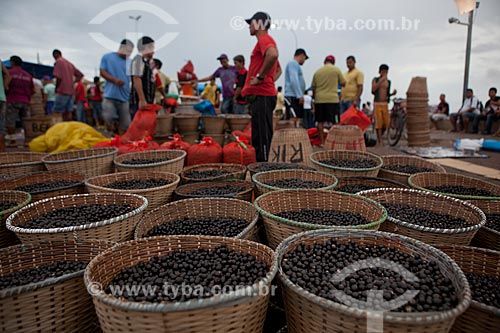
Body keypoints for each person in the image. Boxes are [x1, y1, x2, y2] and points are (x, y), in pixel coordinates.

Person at [242, 11, 280, 162]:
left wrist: (261, 78)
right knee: (259, 136)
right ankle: (262, 167)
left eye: (251, 23)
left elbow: (273, 55)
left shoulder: (265, 39)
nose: (249, 26)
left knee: (263, 138)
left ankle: (264, 169)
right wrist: (268, 79)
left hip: (263, 96)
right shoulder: (262, 43)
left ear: (258, 24)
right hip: (262, 95)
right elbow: (278, 69)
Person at [100, 39, 134, 134]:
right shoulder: (107, 57)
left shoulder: (130, 62)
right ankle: (111, 135)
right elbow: (102, 72)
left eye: (130, 52)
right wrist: (114, 80)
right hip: (110, 95)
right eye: (127, 51)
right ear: (121, 48)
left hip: (125, 97)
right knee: (109, 117)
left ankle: (121, 142)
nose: (129, 54)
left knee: (126, 124)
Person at [311, 55, 346, 145]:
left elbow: (313, 88)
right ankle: (335, 142)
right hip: (333, 100)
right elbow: (343, 83)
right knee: (335, 122)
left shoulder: (317, 72)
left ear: (324, 61)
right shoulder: (336, 70)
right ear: (333, 62)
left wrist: (315, 99)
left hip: (319, 100)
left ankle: (322, 142)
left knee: (320, 122)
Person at [6, 56, 34, 147]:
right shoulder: (28, 75)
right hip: (25, 100)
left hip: (12, 99)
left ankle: (13, 141)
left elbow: (5, 87)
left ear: (12, 63)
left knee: (11, 121)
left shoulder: (9, 73)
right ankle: (27, 141)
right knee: (26, 121)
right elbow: (33, 90)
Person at [52, 49, 83, 121]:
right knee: (69, 112)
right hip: (71, 92)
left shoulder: (58, 61)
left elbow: (58, 77)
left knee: (57, 112)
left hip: (62, 90)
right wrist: (73, 82)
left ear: (55, 55)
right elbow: (80, 75)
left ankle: (57, 129)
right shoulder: (69, 63)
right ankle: (69, 130)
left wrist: (56, 88)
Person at [130, 36, 156, 119]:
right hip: (139, 102)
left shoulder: (146, 63)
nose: (153, 51)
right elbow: (136, 79)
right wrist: (142, 99)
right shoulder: (138, 60)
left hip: (147, 101)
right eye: (152, 47)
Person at [372, 64, 397, 146]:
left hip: (385, 104)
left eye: (386, 72)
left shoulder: (388, 82)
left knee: (386, 123)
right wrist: (381, 79)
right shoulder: (375, 79)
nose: (385, 73)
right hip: (377, 103)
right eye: (383, 71)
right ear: (380, 71)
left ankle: (380, 136)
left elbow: (387, 94)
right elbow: (373, 90)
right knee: (378, 123)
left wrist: (392, 94)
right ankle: (380, 141)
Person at [284, 48, 308, 127]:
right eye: (305, 58)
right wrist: (299, 95)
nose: (304, 61)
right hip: (292, 96)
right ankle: (291, 137)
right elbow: (294, 79)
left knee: (297, 117)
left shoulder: (295, 65)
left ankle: (295, 135)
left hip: (295, 96)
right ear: (302, 55)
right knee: (293, 118)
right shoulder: (293, 64)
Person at [0, 60, 10, 151]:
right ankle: (2, 157)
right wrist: (4, 88)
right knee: (1, 128)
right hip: (1, 97)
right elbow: (7, 75)